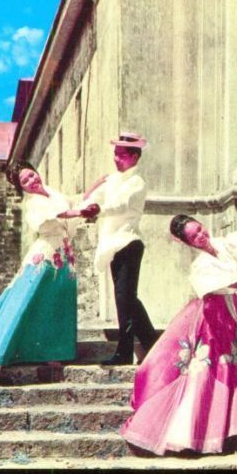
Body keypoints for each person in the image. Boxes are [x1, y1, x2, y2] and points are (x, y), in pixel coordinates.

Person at [120, 215, 237, 455]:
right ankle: (198, 429)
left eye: (200, 229)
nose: (201, 236)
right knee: (212, 367)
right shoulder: (199, 265)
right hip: (213, 315)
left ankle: (233, 422)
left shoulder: (221, 244)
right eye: (194, 236)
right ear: (187, 242)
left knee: (235, 363)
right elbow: (226, 281)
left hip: (231, 310)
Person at [0, 162, 94, 383]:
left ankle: (53, 352)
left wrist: (93, 190)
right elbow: (62, 213)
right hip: (45, 257)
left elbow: (72, 204)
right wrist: (82, 211)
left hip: (64, 257)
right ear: (22, 187)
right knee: (21, 303)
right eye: (25, 181)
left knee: (56, 304)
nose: (32, 181)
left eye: (31, 175)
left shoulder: (52, 193)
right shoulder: (33, 203)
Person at [82, 132, 158, 365]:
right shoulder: (113, 180)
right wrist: (94, 189)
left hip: (129, 243)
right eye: (115, 154)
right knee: (126, 299)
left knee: (126, 298)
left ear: (134, 157)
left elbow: (119, 205)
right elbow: (89, 200)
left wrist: (97, 209)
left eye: (122, 155)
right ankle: (153, 345)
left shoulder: (137, 182)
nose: (116, 159)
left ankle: (126, 351)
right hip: (114, 245)